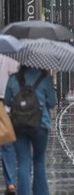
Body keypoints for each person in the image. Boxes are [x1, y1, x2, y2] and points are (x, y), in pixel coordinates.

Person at [5, 66, 56, 195]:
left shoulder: (13, 78)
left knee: (23, 162)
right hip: (41, 124)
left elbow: (7, 101)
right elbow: (52, 103)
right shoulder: (45, 78)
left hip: (19, 125)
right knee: (39, 161)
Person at [0, 57, 19, 194]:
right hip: (23, 102)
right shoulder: (22, 53)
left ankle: (11, 181)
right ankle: (20, 177)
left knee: (7, 143)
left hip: (3, 101)